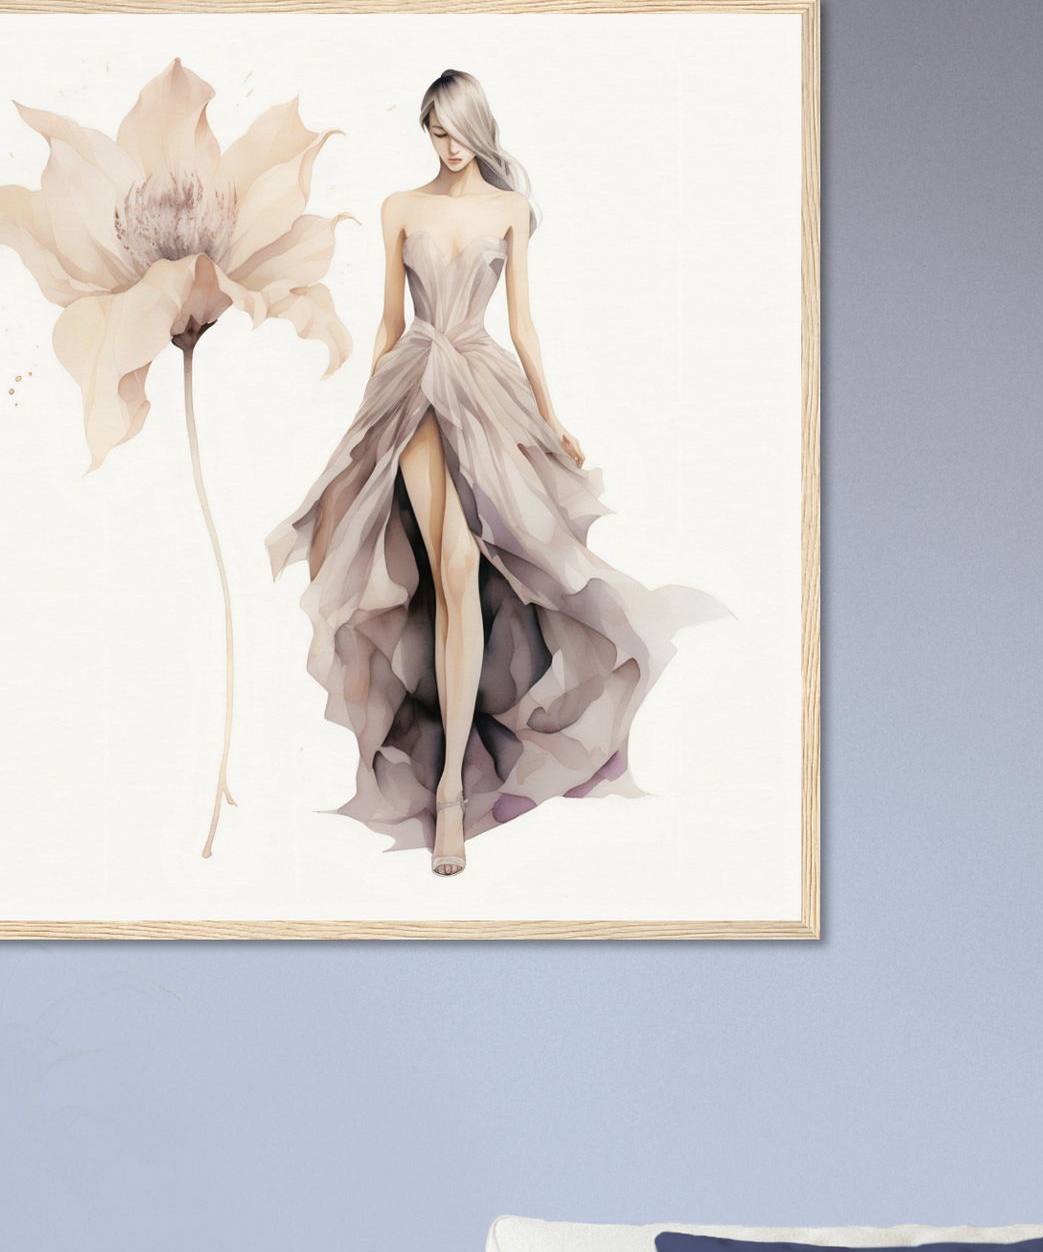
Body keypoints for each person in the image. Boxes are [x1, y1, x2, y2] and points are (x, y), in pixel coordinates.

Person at [267, 69, 719, 876]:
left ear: (478, 128)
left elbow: (524, 326)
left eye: (455, 130)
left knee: (469, 565)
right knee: (448, 570)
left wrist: (552, 416)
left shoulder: (509, 212)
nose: (446, 146)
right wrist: (363, 423)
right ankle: (446, 794)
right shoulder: (398, 209)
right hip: (412, 382)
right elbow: (386, 324)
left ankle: (448, 790)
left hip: (482, 381)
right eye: (434, 131)